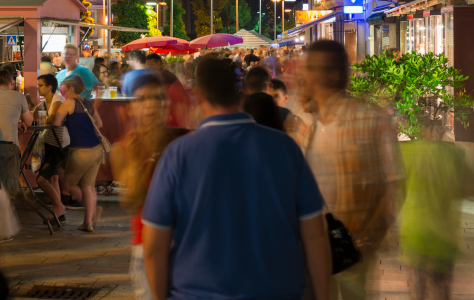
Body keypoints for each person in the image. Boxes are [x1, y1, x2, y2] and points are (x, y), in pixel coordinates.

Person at [141, 56, 331, 300]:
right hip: (277, 291)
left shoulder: (178, 155)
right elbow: (315, 234)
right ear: (242, 95)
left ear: (198, 95)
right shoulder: (285, 148)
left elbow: (153, 247)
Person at [299, 39, 401, 300]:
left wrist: (371, 236)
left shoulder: (370, 119)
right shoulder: (307, 124)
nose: (305, 75)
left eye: (312, 68)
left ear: (333, 74)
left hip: (353, 244)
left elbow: (395, 182)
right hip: (313, 242)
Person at [110, 71, 186, 300]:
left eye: (158, 98)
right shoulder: (123, 149)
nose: (152, 105)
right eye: (143, 99)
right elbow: (132, 202)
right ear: (132, 107)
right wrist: (137, 164)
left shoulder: (183, 141)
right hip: (147, 246)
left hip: (186, 244)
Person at [398, 121, 465, 300]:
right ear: (440, 133)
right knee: (441, 288)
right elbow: (463, 190)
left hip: (415, 232)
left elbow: (397, 187)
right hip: (444, 235)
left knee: (417, 287)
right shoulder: (453, 154)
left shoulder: (407, 152)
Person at [53, 76, 104, 232]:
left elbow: (56, 122)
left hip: (82, 151)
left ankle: (93, 211)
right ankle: (87, 222)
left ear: (71, 88)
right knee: (88, 186)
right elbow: (100, 124)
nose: (62, 90)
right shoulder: (87, 103)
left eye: (64, 87)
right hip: (96, 149)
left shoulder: (68, 102)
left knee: (68, 185)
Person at [0, 70, 32, 200]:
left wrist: (15, 122)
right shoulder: (19, 96)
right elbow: (29, 121)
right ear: (11, 82)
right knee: (8, 189)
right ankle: (7, 215)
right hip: (8, 145)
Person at [34, 74, 70, 222]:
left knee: (42, 180)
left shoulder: (58, 100)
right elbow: (34, 115)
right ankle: (59, 214)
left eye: (41, 85)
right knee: (54, 178)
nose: (38, 87)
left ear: (50, 87)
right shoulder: (45, 102)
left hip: (58, 145)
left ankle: (59, 206)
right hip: (50, 143)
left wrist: (40, 116)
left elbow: (53, 118)